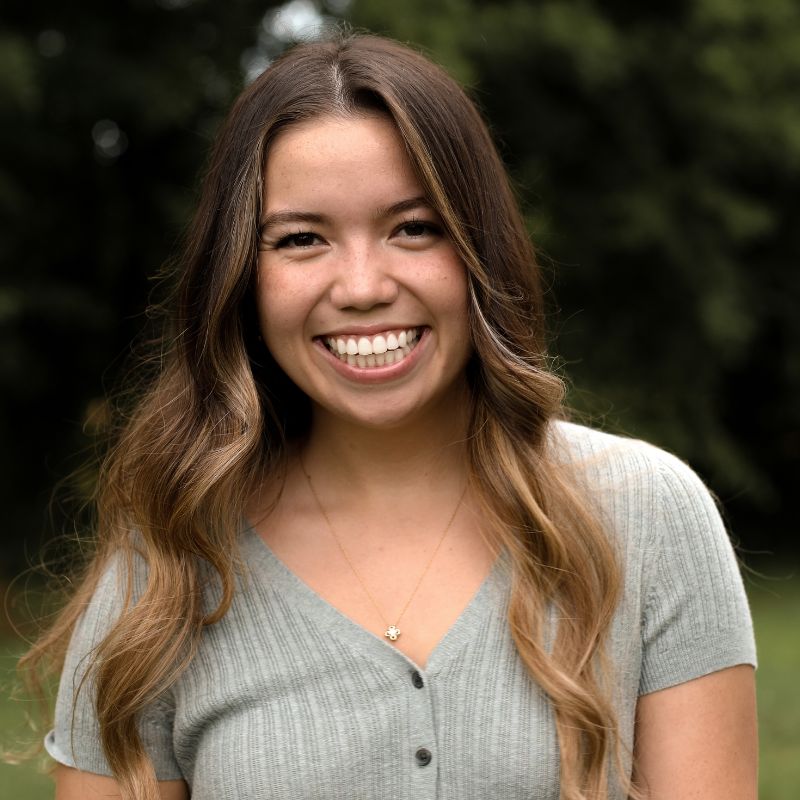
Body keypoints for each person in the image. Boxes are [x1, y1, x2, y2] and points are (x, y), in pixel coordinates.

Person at [22, 32, 756, 800]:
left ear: (480, 249)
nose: (364, 286)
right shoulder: (167, 563)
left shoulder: (646, 514)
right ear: (243, 274)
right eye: (302, 239)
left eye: (414, 228)